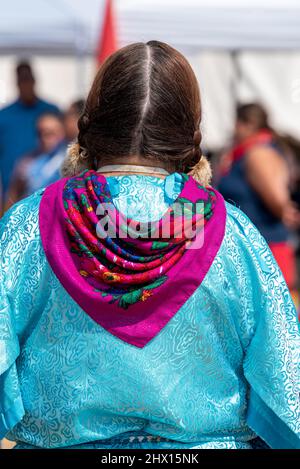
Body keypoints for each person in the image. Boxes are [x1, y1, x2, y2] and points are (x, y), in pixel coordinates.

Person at [0, 41, 299, 450]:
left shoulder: (29, 227)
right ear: (190, 132)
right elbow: (284, 381)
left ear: (91, 124)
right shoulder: (232, 234)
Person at [217, 103, 300, 293]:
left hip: (266, 253)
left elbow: (279, 204)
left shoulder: (259, 153)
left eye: (236, 123)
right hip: (252, 252)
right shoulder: (247, 152)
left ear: (246, 124)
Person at [0, 61, 60, 200]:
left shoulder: (51, 111)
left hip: (47, 193)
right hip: (13, 193)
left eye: (28, 79)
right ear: (16, 83)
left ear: (34, 81)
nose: (26, 84)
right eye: (22, 80)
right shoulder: (4, 116)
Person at [5, 113, 66, 208]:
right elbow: (13, 194)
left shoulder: (70, 161)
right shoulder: (26, 162)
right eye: (40, 133)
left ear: (62, 133)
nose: (44, 138)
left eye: (50, 133)